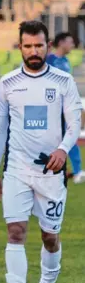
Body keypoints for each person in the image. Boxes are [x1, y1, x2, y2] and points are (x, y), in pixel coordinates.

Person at [0, 21, 82, 283]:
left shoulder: (64, 82)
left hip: (51, 174)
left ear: (48, 47)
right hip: (16, 170)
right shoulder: (7, 84)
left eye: (39, 45)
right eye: (27, 46)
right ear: (19, 47)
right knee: (15, 232)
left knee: (49, 237)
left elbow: (75, 123)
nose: (33, 51)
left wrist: (63, 149)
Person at [47, 32, 85, 184]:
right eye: (70, 42)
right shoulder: (50, 59)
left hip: (65, 107)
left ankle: (77, 171)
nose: (73, 45)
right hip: (51, 108)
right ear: (61, 43)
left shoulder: (66, 61)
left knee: (71, 136)